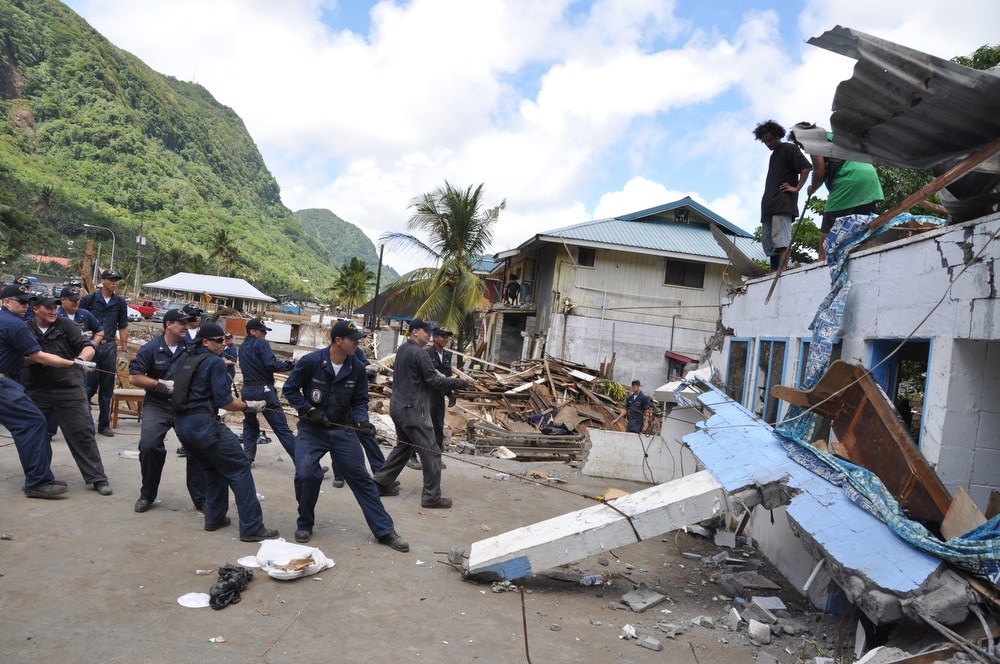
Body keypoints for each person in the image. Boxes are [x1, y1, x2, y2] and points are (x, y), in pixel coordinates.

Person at [282, 320, 409, 550]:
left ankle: (385, 531)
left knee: (362, 479)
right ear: (338, 340)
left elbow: (360, 401)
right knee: (306, 474)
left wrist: (363, 422)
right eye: (353, 340)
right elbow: (289, 389)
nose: (357, 344)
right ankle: (305, 523)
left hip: (343, 429)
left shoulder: (357, 367)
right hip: (312, 430)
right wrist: (309, 410)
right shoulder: (312, 362)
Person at [171, 323, 278, 542]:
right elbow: (225, 401)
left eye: (224, 340)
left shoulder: (185, 359)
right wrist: (250, 406)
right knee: (239, 466)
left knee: (214, 468)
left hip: (182, 426)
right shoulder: (215, 363)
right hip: (203, 425)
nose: (223, 344)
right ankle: (252, 527)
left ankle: (215, 517)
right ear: (205, 342)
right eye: (219, 341)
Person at [1, 283, 94, 498]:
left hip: (11, 380)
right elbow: (39, 356)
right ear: (7, 302)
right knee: (33, 423)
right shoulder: (16, 325)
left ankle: (42, 476)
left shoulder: (6, 321)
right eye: (22, 302)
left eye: (27, 301)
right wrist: (74, 364)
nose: (25, 305)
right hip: (4, 384)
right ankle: (38, 482)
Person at [371, 318, 469, 509]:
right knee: (432, 451)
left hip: (398, 406)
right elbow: (435, 381)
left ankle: (380, 483)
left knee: (404, 447)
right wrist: (460, 383)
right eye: (426, 331)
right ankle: (431, 497)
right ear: (415, 332)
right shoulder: (419, 353)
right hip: (414, 410)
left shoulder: (404, 349)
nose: (429, 335)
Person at [25, 296, 111, 495]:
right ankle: (38, 479)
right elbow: (18, 357)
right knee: (34, 435)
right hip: (38, 389)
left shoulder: (66, 325)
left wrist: (81, 359)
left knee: (82, 432)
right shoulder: (26, 329)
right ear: (36, 309)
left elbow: (88, 345)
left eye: (55, 307)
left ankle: (97, 478)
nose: (53, 311)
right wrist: (38, 360)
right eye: (48, 308)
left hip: (69, 387)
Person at [128, 309, 207, 513]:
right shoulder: (151, 349)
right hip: (158, 404)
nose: (185, 326)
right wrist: (159, 385)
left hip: (185, 406)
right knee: (148, 446)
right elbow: (134, 377)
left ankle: (201, 499)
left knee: (197, 449)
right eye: (181, 323)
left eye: (187, 323)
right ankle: (147, 494)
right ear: (168, 324)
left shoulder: (191, 349)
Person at [802, 132, 884, 262]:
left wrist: (812, 188)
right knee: (865, 220)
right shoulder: (836, 138)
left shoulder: (812, 141)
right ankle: (866, 251)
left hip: (849, 178)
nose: (802, 148)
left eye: (800, 145)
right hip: (869, 176)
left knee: (830, 221)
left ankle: (822, 260)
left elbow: (819, 173)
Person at [753, 120, 812, 272]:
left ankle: (782, 268)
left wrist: (797, 187)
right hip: (769, 204)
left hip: (782, 202)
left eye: (770, 140)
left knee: (781, 238)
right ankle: (774, 269)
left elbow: (806, 167)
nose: (768, 144)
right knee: (769, 240)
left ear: (777, 135)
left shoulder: (788, 148)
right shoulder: (773, 156)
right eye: (765, 141)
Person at [239, 317, 298, 463]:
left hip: (247, 391)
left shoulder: (242, 347)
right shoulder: (261, 343)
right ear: (252, 331)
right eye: (262, 331)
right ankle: (305, 463)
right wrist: (291, 365)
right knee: (282, 429)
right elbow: (272, 365)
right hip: (263, 391)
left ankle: (248, 456)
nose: (264, 334)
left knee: (250, 424)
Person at [328, 344, 386, 488]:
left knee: (368, 436)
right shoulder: (330, 356)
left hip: (356, 404)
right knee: (338, 440)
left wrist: (368, 369)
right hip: (339, 406)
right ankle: (339, 475)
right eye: (351, 339)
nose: (355, 343)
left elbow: (365, 365)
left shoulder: (356, 352)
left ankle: (382, 474)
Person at [80, 269, 129, 436]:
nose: (114, 282)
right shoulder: (90, 299)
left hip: (109, 347)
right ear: (102, 281)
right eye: (111, 280)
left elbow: (123, 327)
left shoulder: (120, 303)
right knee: (88, 385)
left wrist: (124, 351)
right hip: (90, 346)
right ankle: (85, 424)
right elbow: (79, 319)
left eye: (116, 280)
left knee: (107, 388)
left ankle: (104, 424)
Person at [427, 327, 455, 460]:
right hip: (428, 394)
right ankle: (422, 453)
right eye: (443, 337)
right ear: (435, 337)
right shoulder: (427, 354)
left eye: (447, 337)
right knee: (427, 423)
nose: (445, 340)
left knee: (438, 423)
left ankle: (436, 454)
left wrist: (450, 393)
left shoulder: (448, 355)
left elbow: (448, 376)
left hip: (440, 395)